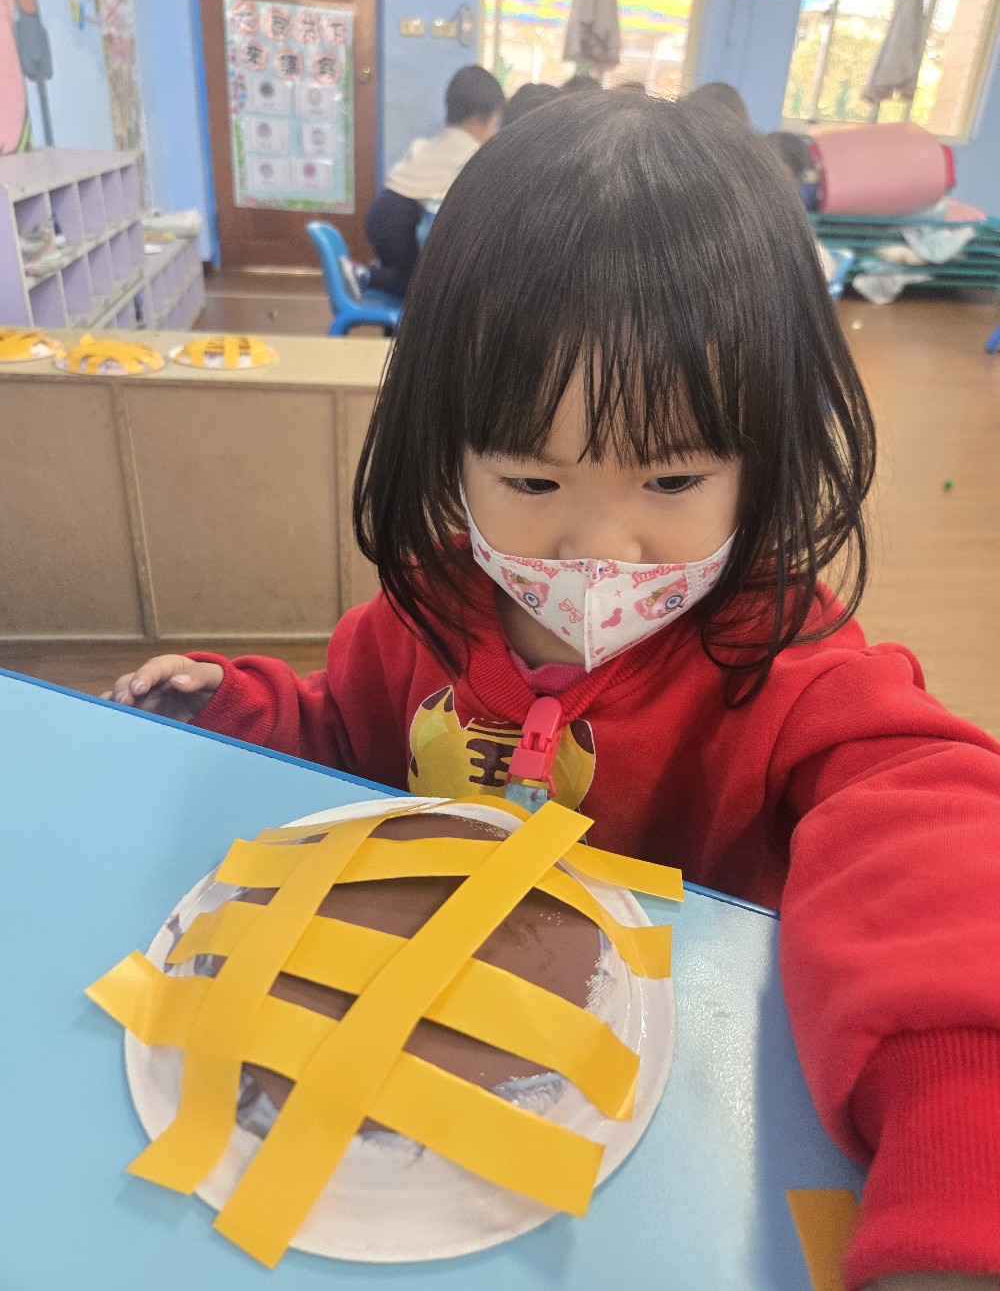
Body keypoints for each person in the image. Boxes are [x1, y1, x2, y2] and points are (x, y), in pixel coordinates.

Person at [105, 93, 1000, 1291]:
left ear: (766, 456)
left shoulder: (787, 663)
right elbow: (343, 737)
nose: (601, 550)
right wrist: (236, 711)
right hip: (402, 1133)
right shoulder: (421, 613)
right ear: (448, 447)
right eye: (531, 481)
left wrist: (957, 1142)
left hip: (658, 1152)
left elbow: (932, 836)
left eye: (672, 480)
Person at [361, 64, 503, 297]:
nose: (494, 134)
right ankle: (365, 275)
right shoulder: (470, 152)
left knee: (407, 274)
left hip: (382, 211)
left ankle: (375, 276)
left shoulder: (436, 142)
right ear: (476, 121)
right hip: (400, 220)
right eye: (494, 125)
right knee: (421, 286)